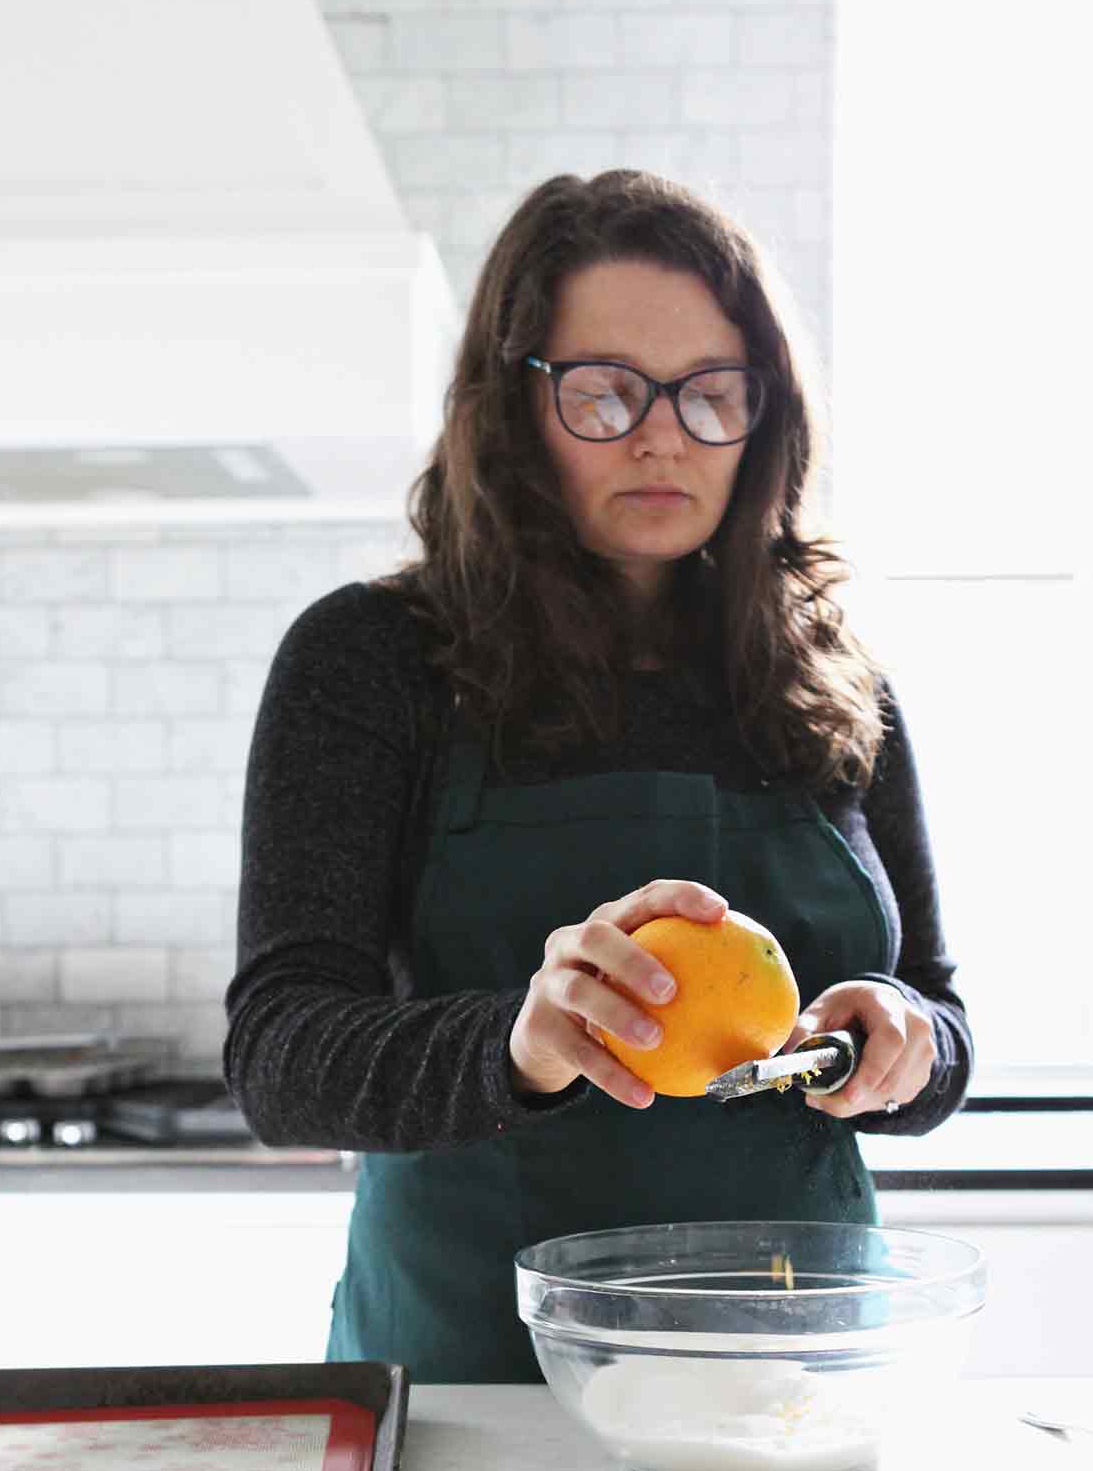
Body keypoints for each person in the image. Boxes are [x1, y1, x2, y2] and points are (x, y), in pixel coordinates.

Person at [224, 169, 973, 1382]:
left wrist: (905, 1042)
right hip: (481, 1384)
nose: (664, 433)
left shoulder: (835, 676)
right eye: (607, 392)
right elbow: (280, 1061)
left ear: (763, 417)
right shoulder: (368, 662)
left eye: (710, 392)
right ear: (512, 407)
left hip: (795, 1371)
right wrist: (520, 1044)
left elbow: (937, 1008)